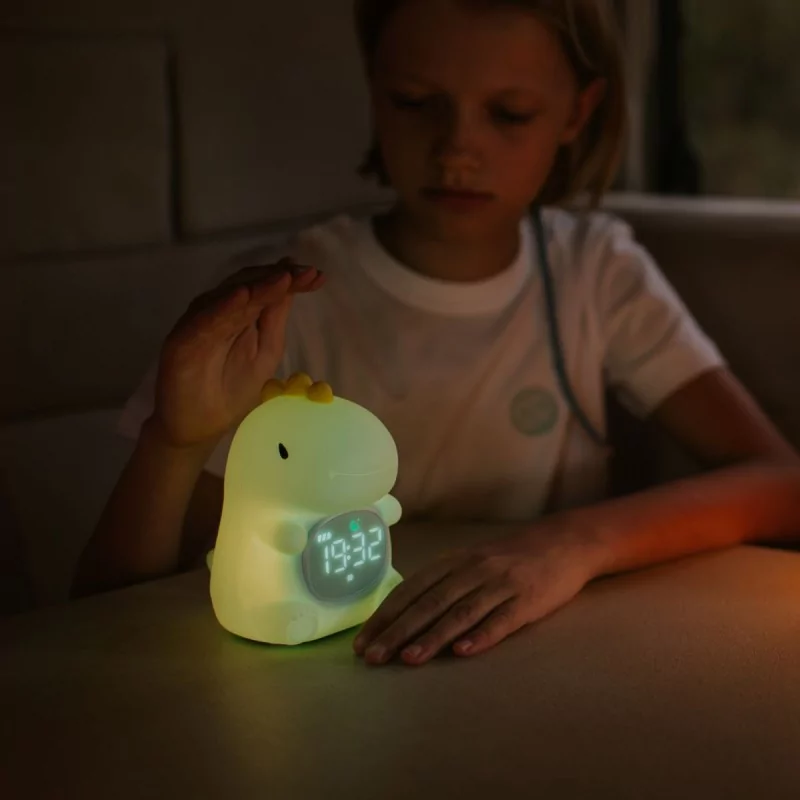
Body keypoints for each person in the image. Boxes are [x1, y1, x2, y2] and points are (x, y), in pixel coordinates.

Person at [72, 0, 800, 667]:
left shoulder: (595, 274)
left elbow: (780, 481)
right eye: (417, 103)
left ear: (578, 112)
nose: (457, 150)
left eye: (509, 113)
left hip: (537, 665)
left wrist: (573, 543)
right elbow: (114, 615)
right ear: (374, 89)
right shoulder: (285, 302)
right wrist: (176, 443)